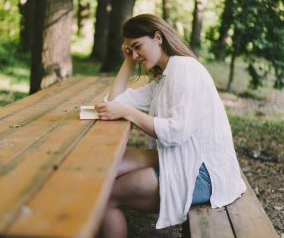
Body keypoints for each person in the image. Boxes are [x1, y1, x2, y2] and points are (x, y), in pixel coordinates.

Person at [95, 14, 246, 238]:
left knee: (106, 197)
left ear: (158, 38)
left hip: (203, 171)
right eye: (130, 49)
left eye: (138, 47)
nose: (135, 55)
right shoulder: (164, 77)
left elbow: (177, 132)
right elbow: (115, 103)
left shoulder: (185, 69)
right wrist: (128, 62)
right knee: (107, 170)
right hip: (181, 155)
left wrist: (129, 113)